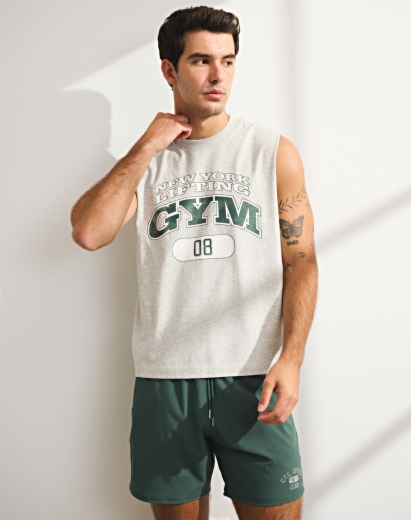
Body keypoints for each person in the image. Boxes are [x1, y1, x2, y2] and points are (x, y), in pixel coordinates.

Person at [70, 6, 318, 520]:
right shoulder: (145, 164)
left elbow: (301, 262)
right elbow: (89, 232)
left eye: (227, 61)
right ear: (169, 70)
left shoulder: (271, 152)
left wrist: (291, 359)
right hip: (166, 380)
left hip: (253, 380)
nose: (217, 75)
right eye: (201, 60)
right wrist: (146, 146)